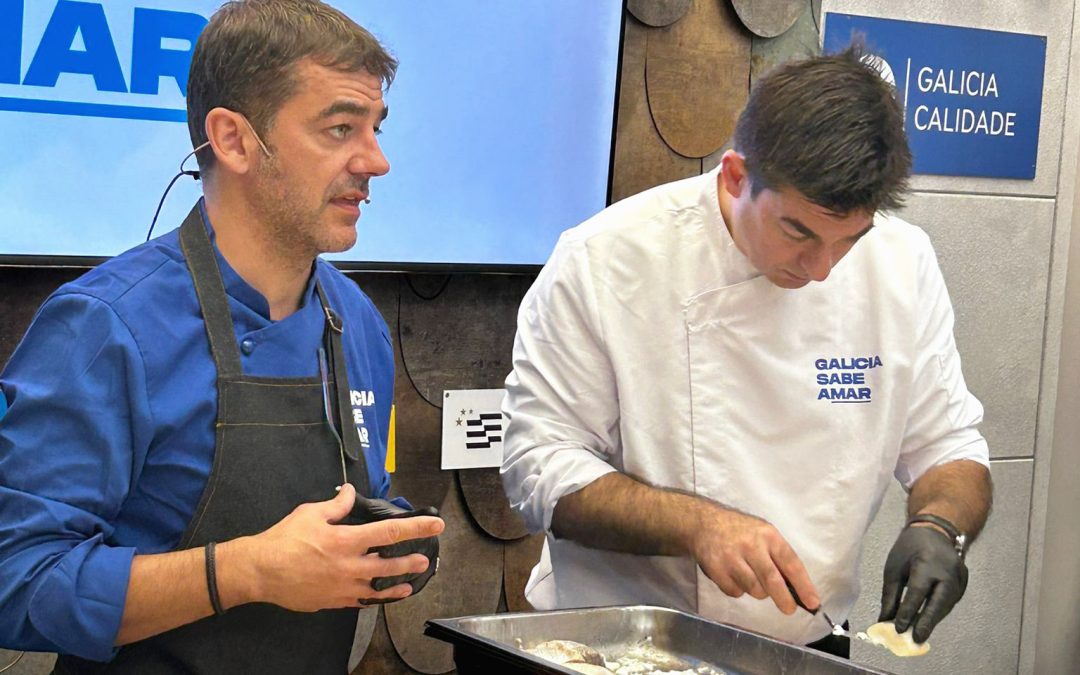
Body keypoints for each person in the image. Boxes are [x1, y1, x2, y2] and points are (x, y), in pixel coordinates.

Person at [501, 46, 993, 658]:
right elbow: (537, 466)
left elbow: (948, 443)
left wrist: (939, 526)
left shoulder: (903, 262)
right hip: (622, 648)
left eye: (848, 241)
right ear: (736, 177)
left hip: (807, 644)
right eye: (798, 232)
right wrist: (698, 526)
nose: (821, 269)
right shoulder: (606, 261)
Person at [0, 1, 444, 672]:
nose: (376, 161)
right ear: (233, 139)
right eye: (341, 128)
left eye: (377, 129)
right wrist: (247, 571)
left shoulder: (359, 327)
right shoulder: (105, 328)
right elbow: (17, 581)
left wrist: (383, 543)